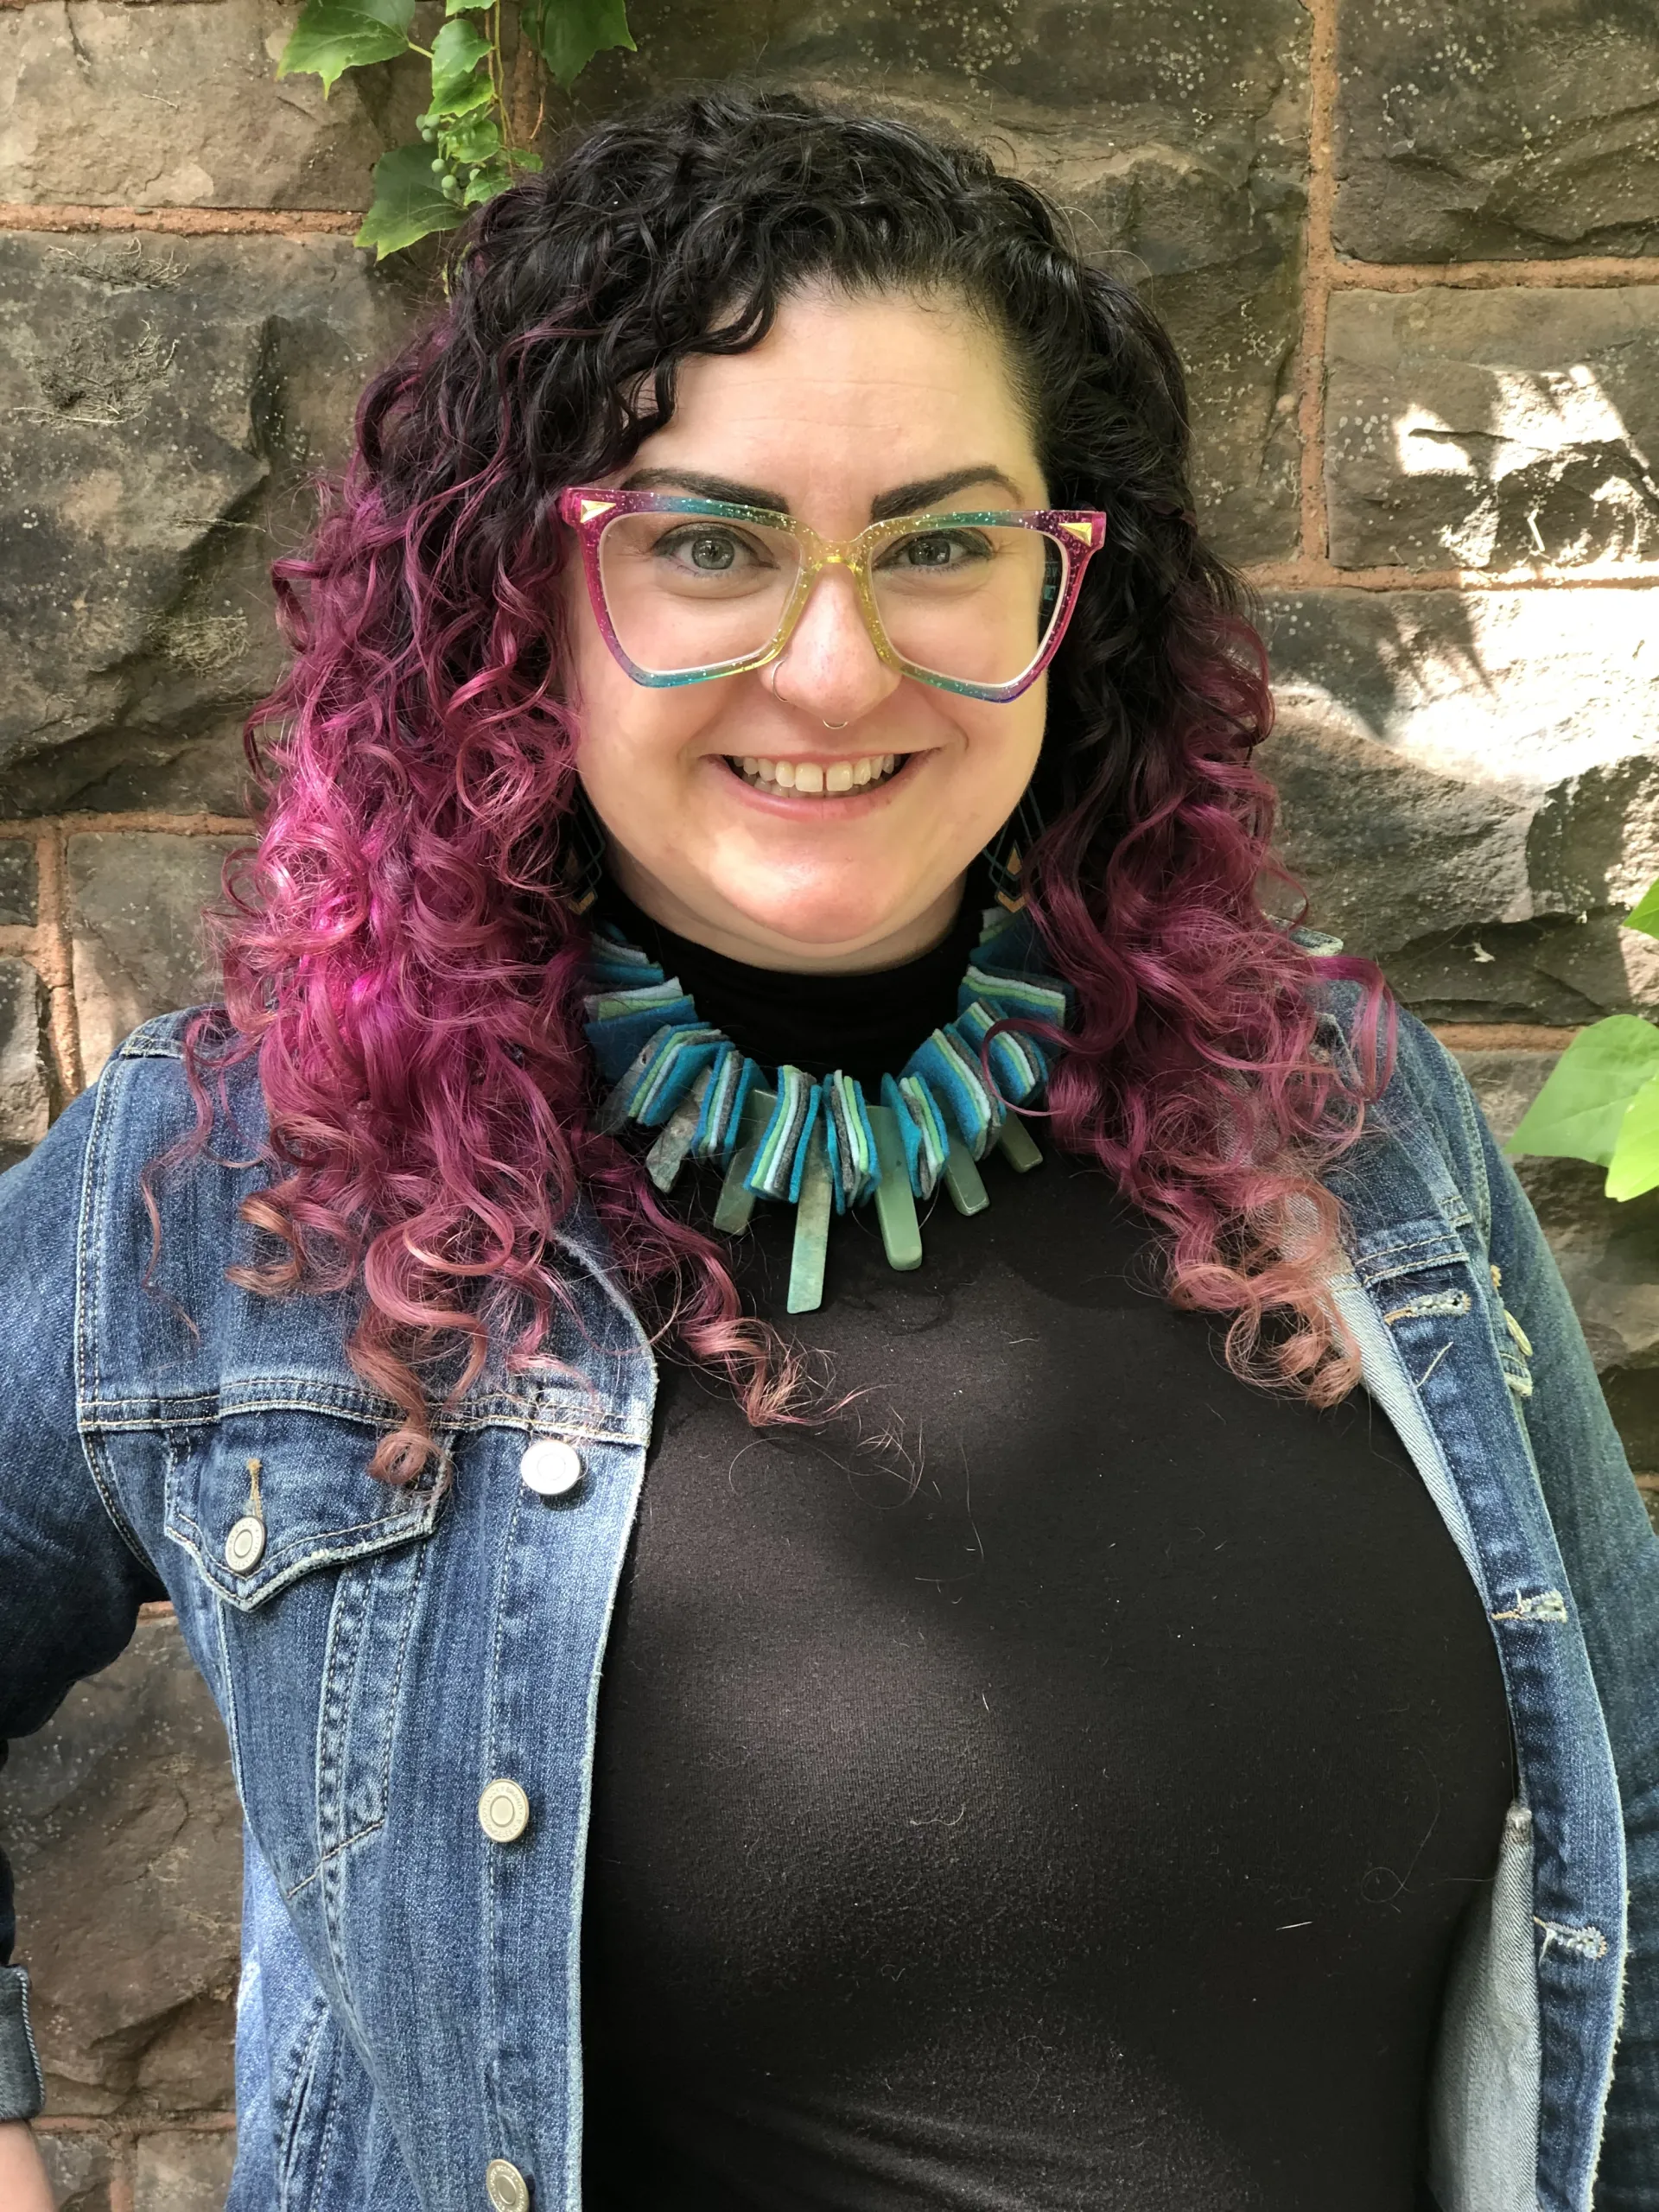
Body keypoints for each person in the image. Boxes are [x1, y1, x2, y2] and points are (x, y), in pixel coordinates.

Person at [1, 87, 1655, 2212]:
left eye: (944, 542)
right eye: (706, 541)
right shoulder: (258, 1176)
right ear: (526, 599)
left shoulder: (1335, 1109)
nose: (834, 660)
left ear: (1079, 593)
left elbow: (1632, 1795)